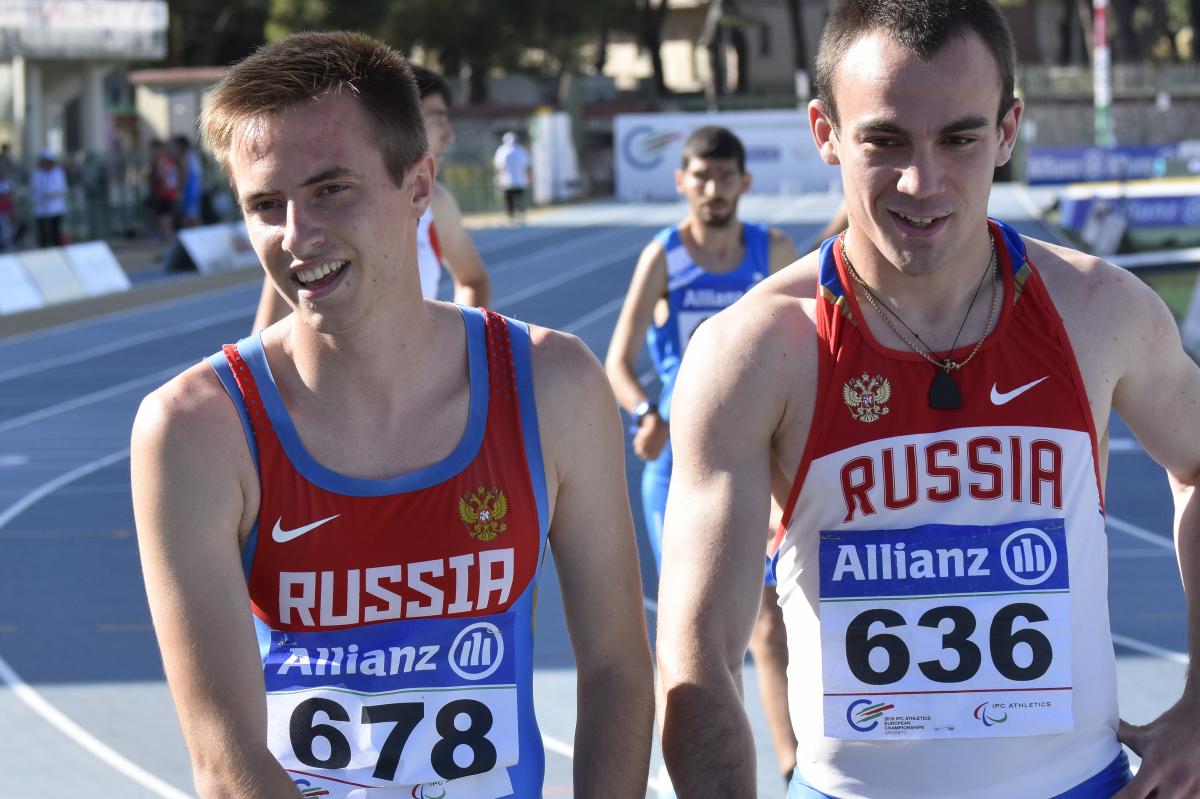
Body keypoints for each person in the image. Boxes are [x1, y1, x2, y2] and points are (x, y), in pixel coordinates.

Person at [656, 2, 1200, 798]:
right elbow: (696, 652)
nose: (922, 181)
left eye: (960, 138)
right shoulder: (755, 352)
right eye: (884, 140)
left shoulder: (1098, 312)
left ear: (1008, 131)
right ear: (825, 132)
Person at [132, 31, 653, 798]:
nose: (296, 236)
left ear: (419, 187)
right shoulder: (195, 428)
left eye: (331, 189)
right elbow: (223, 752)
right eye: (265, 205)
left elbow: (616, 667)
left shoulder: (554, 386)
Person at [604, 124, 799, 790]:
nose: (713, 189)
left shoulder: (773, 250)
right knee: (700, 633)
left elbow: (813, 351)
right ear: (682, 181)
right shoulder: (663, 255)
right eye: (700, 177)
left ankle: (793, 764)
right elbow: (618, 362)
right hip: (679, 470)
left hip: (757, 459)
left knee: (768, 621)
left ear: (744, 182)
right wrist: (644, 413)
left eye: (725, 177)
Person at [252, 64, 491, 331]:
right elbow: (264, 340)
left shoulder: (438, 203)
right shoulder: (310, 229)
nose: (449, 134)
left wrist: (463, 353)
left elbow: (473, 280)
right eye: (436, 118)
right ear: (401, 125)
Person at [30, 149, 68, 248]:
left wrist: (52, 194)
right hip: (41, 208)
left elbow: (62, 188)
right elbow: (35, 189)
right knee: (43, 232)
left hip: (56, 207)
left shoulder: (58, 173)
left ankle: (57, 249)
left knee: (55, 231)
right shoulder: (37, 174)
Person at [492, 131, 530, 223]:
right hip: (518, 179)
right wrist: (527, 177)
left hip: (507, 179)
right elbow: (525, 165)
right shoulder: (520, 150)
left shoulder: (502, 150)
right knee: (518, 197)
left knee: (509, 198)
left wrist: (499, 177)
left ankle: (511, 215)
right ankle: (520, 214)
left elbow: (499, 166)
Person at [173, 134, 203, 228]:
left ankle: (193, 235)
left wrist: (179, 188)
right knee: (193, 214)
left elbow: (185, 175)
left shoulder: (186, 157)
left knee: (190, 215)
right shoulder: (192, 155)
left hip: (189, 189)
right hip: (194, 188)